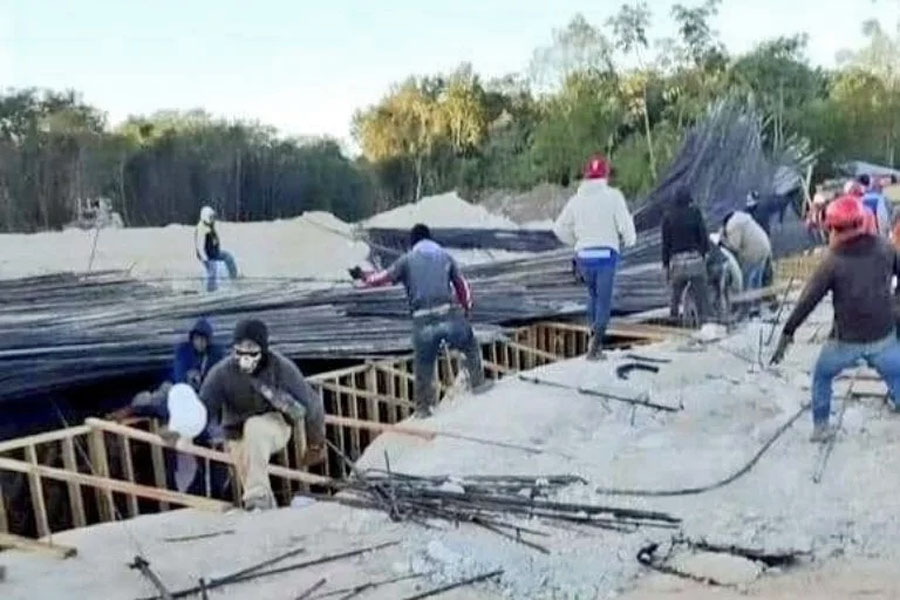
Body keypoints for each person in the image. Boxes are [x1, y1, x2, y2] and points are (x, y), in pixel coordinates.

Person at [771, 195, 900, 442]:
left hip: (845, 341)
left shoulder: (832, 263)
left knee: (822, 375)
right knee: (896, 371)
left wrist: (788, 332)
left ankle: (821, 428)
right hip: (883, 336)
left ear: (831, 227)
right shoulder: (885, 248)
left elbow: (807, 301)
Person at [349, 224, 488, 417]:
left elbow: (382, 278)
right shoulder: (445, 257)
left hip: (422, 321)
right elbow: (461, 286)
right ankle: (479, 384)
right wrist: (467, 308)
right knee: (470, 345)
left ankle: (424, 408)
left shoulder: (407, 260)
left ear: (413, 242)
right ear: (430, 238)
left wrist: (362, 277)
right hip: (447, 315)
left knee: (424, 365)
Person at [200, 319, 326, 510]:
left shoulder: (280, 367)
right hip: (236, 433)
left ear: (263, 349)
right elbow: (204, 406)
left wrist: (315, 443)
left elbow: (312, 403)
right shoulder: (222, 373)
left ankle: (257, 496)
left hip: (274, 424)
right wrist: (182, 429)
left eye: (251, 348)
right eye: (240, 349)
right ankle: (265, 509)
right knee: (250, 472)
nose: (245, 356)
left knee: (255, 427)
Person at [553, 154, 637, 360]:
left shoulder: (576, 200)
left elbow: (558, 228)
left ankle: (594, 338)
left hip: (584, 257)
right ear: (605, 175)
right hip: (606, 255)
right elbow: (626, 226)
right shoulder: (614, 196)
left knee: (592, 297)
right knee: (604, 303)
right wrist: (629, 240)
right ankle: (596, 345)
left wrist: (576, 242)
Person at [661, 187, 711, 324]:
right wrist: (705, 254)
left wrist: (666, 266)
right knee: (702, 294)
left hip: (677, 263)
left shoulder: (668, 217)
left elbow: (666, 245)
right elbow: (703, 237)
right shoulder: (695, 213)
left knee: (675, 295)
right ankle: (705, 321)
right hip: (695, 261)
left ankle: (674, 320)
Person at [720, 209, 772, 291]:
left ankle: (746, 301)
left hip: (752, 253)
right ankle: (757, 300)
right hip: (765, 247)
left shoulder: (732, 225)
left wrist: (723, 239)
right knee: (756, 281)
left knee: (746, 280)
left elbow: (734, 246)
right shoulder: (743, 217)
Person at [195, 206, 238, 292]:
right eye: (211, 217)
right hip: (207, 255)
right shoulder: (202, 229)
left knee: (228, 257)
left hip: (214, 253)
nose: (213, 219)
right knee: (213, 270)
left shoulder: (209, 226)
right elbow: (199, 246)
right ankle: (211, 289)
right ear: (206, 217)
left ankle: (234, 277)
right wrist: (206, 259)